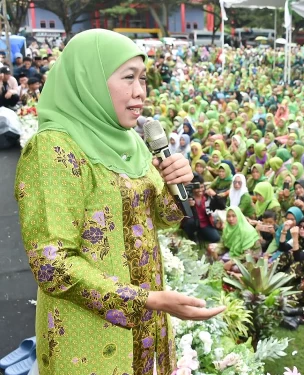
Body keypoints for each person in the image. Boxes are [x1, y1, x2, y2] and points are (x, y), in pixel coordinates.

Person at [15, 29, 224, 375]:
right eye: (129, 78)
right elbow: (52, 264)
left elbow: (162, 216)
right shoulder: (53, 150)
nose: (140, 92)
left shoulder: (132, 141)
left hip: (146, 327)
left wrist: (178, 183)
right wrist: (146, 300)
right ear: (90, 79)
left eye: (143, 79)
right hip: (89, 341)